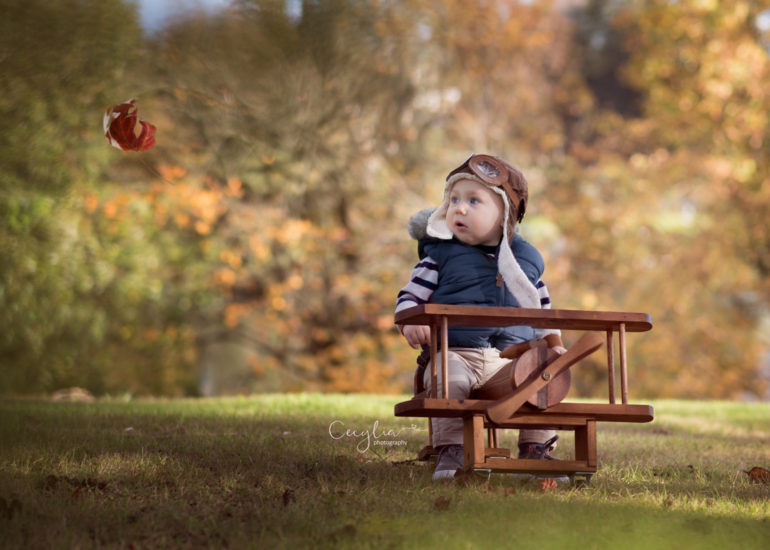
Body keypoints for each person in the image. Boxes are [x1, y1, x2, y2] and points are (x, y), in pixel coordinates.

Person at [396, 153, 567, 481]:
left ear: (505, 213)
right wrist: (411, 320)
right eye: (454, 199)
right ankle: (453, 451)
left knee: (542, 374)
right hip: (456, 352)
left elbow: (543, 308)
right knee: (449, 378)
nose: (460, 208)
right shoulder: (440, 257)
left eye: (474, 201)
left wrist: (553, 344)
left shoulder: (526, 264)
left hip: (509, 359)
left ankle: (535, 449)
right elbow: (409, 296)